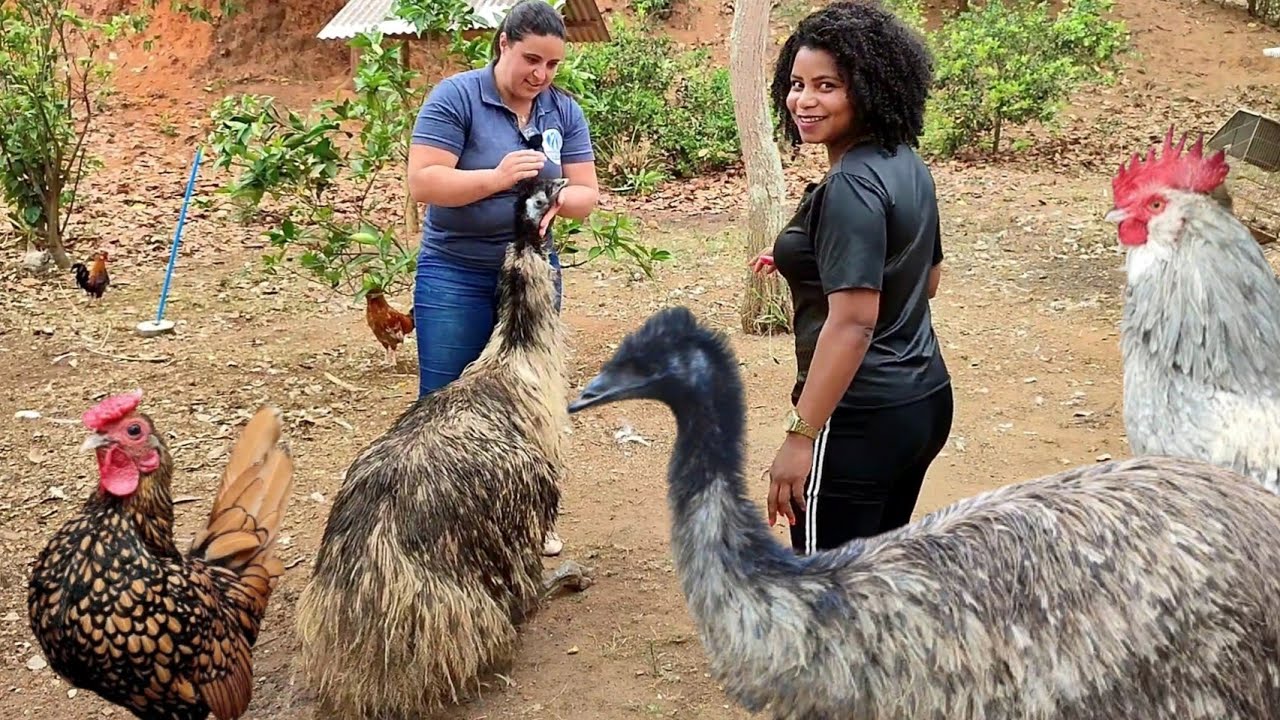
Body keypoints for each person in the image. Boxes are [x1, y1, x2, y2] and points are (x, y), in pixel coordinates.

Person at [750, 0, 953, 555]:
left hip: (859, 417)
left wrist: (801, 436)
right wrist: (809, 259)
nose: (804, 101)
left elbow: (855, 322)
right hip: (923, 402)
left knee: (825, 593)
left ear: (868, 88)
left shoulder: (850, 188)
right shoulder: (905, 162)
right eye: (796, 84)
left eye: (827, 86)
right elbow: (925, 279)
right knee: (874, 577)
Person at [408, 0, 599, 555]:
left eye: (553, 65)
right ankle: (439, 525)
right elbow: (426, 182)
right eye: (531, 59)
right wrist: (494, 178)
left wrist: (562, 195)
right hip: (457, 270)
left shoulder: (561, 110)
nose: (541, 75)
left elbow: (588, 193)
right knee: (444, 398)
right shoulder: (456, 97)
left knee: (530, 398)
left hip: (534, 269)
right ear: (504, 45)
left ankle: (527, 518)